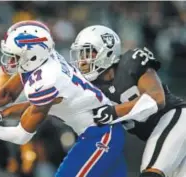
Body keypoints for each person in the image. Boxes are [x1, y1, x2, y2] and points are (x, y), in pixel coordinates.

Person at [0, 20, 127, 177]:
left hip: (102, 132)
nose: (10, 61)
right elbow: (7, 94)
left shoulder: (48, 80)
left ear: (32, 54)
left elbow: (21, 135)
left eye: (15, 56)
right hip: (97, 130)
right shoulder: (42, 60)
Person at [69, 25, 186, 177]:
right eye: (80, 55)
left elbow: (156, 98)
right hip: (160, 136)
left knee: (151, 173)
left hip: (176, 118)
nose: (82, 61)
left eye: (88, 53)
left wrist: (113, 112)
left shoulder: (131, 62)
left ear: (107, 50)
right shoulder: (91, 91)